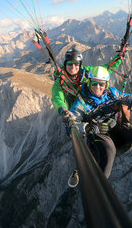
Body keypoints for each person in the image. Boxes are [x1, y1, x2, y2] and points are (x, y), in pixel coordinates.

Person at [69, 66, 132, 179]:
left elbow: (126, 97)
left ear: (106, 84)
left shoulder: (112, 93)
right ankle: (101, 184)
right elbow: (72, 123)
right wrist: (87, 127)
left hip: (117, 129)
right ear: (89, 82)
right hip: (99, 137)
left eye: (101, 84)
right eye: (94, 83)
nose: (98, 87)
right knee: (109, 150)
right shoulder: (81, 102)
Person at [51, 47, 124, 188]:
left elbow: (104, 69)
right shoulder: (59, 83)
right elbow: (57, 99)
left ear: (80, 65)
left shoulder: (86, 72)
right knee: (82, 139)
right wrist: (63, 111)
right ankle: (79, 169)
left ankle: (85, 170)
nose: (73, 67)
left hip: (90, 110)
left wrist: (119, 58)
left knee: (95, 137)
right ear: (65, 64)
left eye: (76, 64)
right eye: (70, 64)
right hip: (74, 115)